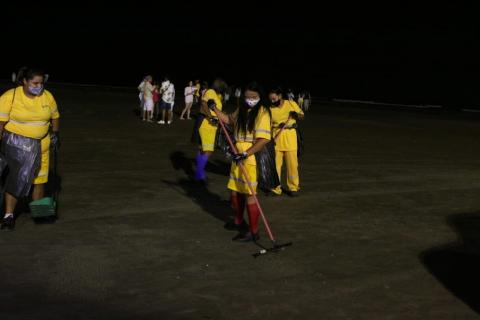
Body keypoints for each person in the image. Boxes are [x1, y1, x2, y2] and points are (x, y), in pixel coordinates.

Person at [209, 82, 272, 242]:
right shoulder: (242, 109)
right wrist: (214, 108)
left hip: (250, 157)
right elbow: (228, 120)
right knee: (235, 191)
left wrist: (245, 153)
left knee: (249, 194)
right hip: (238, 156)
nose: (250, 100)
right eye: (247, 97)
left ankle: (254, 231)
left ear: (260, 97)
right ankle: (238, 221)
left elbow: (263, 140)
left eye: (254, 97)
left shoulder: (263, 112)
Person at [0, 67, 60, 230]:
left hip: (41, 146)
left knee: (39, 180)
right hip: (17, 146)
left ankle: (40, 213)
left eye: (41, 83)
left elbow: (55, 116)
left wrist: (55, 134)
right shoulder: (10, 97)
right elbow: (1, 123)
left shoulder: (47, 96)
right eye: (35, 83)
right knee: (15, 180)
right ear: (24, 81)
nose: (39, 86)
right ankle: (8, 216)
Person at [269, 87, 304, 197]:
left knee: (292, 165)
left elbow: (302, 116)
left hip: (290, 139)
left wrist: (296, 115)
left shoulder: (291, 103)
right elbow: (267, 124)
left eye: (274, 99)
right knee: (275, 166)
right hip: (276, 139)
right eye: (271, 99)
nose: (272, 101)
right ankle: (276, 188)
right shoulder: (270, 108)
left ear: (280, 96)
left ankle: (293, 188)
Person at [193, 78, 227, 182]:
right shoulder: (211, 92)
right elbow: (204, 104)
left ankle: (199, 174)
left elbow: (217, 109)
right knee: (208, 150)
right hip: (207, 124)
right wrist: (210, 117)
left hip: (213, 125)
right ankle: (199, 173)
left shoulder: (218, 95)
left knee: (203, 150)